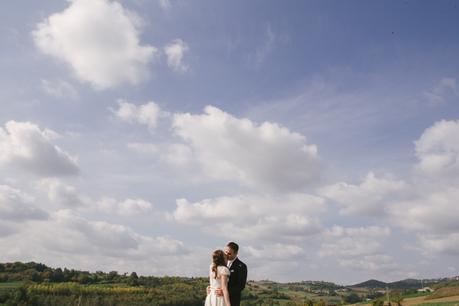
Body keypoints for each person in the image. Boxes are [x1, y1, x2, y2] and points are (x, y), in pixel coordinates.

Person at [224, 242, 247, 306]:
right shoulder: (220, 264)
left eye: (229, 253)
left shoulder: (241, 266)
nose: (226, 255)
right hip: (219, 299)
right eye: (225, 252)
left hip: (232, 301)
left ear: (236, 253)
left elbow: (240, 286)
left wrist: (225, 292)